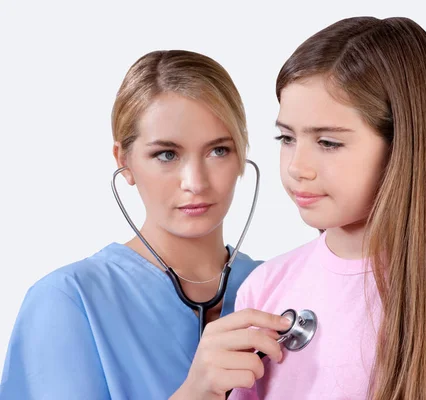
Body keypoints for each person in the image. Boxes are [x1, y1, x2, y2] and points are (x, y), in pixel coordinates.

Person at [226, 17, 426, 399]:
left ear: (401, 146)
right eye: (286, 138)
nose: (296, 167)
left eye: (327, 142)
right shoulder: (264, 289)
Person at [0, 50, 286, 399]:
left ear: (242, 153)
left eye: (218, 151)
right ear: (125, 162)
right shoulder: (67, 300)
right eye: (167, 154)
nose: (195, 182)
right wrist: (195, 392)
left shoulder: (281, 286)